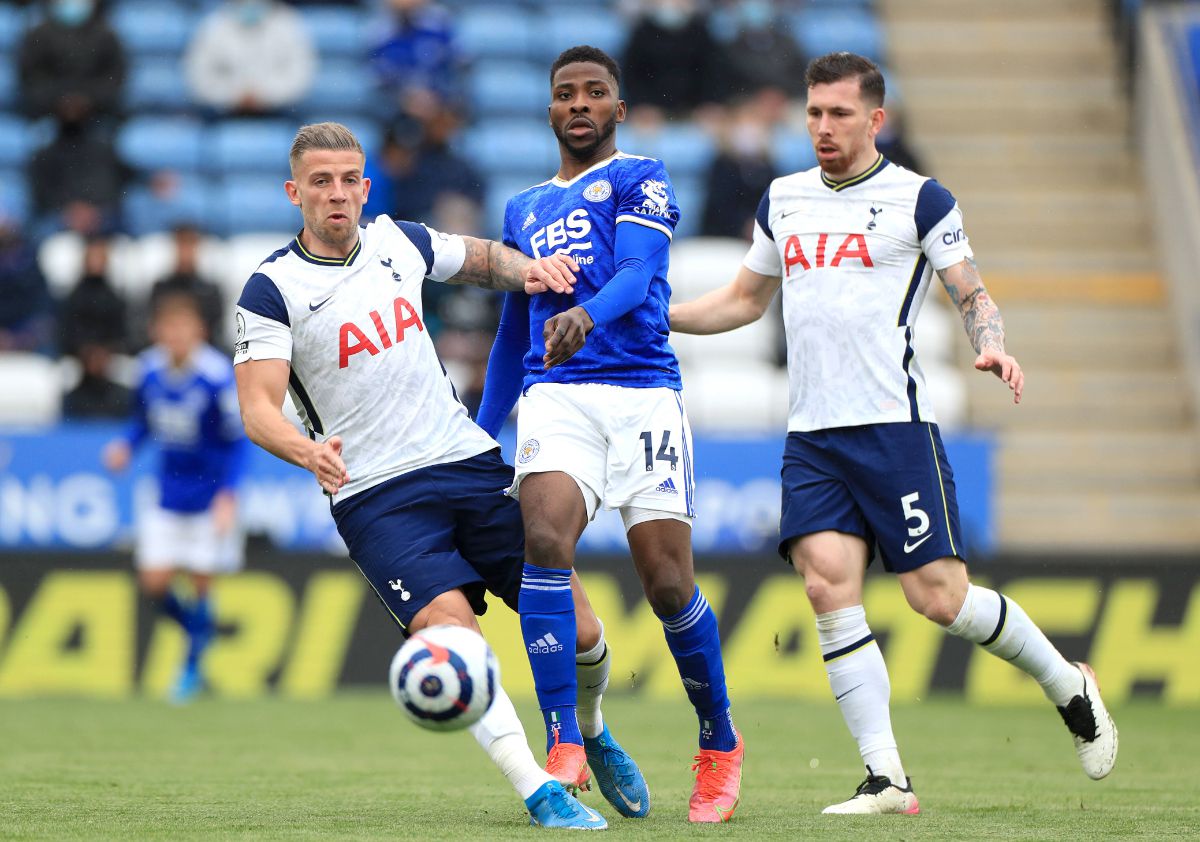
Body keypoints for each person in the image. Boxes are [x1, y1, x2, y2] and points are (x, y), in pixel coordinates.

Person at [668, 51, 1119, 814]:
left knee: (939, 600)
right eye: (813, 112)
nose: (822, 127)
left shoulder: (921, 198)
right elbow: (745, 301)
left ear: (875, 119)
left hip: (894, 429)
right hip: (813, 435)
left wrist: (992, 341)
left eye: (839, 113)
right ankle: (886, 778)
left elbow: (970, 291)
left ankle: (1067, 682)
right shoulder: (783, 199)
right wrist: (658, 317)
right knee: (824, 585)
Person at [232, 121, 626, 830]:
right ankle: (539, 790)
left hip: (465, 464)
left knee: (586, 629)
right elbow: (258, 408)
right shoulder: (271, 290)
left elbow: (476, 259)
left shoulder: (398, 240)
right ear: (295, 192)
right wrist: (304, 450)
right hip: (377, 497)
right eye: (320, 181)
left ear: (366, 187)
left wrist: (527, 270)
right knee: (455, 644)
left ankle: (591, 733)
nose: (337, 194)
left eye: (349, 179)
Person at [475, 46, 744, 824]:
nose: (580, 103)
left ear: (618, 110)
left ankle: (719, 741)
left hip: (642, 396)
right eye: (566, 94)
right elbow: (508, 334)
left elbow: (636, 274)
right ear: (551, 110)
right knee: (546, 540)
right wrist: (480, 430)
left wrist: (585, 314)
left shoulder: (641, 177)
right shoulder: (521, 210)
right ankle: (563, 740)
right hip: (556, 395)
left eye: (596, 92)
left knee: (666, 584)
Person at [103, 290, 246, 703]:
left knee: (201, 579)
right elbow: (143, 421)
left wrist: (228, 496)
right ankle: (199, 635)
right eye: (169, 328)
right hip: (166, 491)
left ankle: (190, 670)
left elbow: (236, 444)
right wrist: (127, 447)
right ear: (157, 332)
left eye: (185, 328)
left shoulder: (217, 376)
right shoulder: (147, 371)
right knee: (154, 582)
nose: (177, 336)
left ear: (199, 331)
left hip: (209, 493)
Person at [184, 0, 315, 116]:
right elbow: (198, 76)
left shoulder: (288, 24)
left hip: (279, 113)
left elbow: (300, 74)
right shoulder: (214, 25)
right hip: (223, 114)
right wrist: (233, 95)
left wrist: (264, 95)